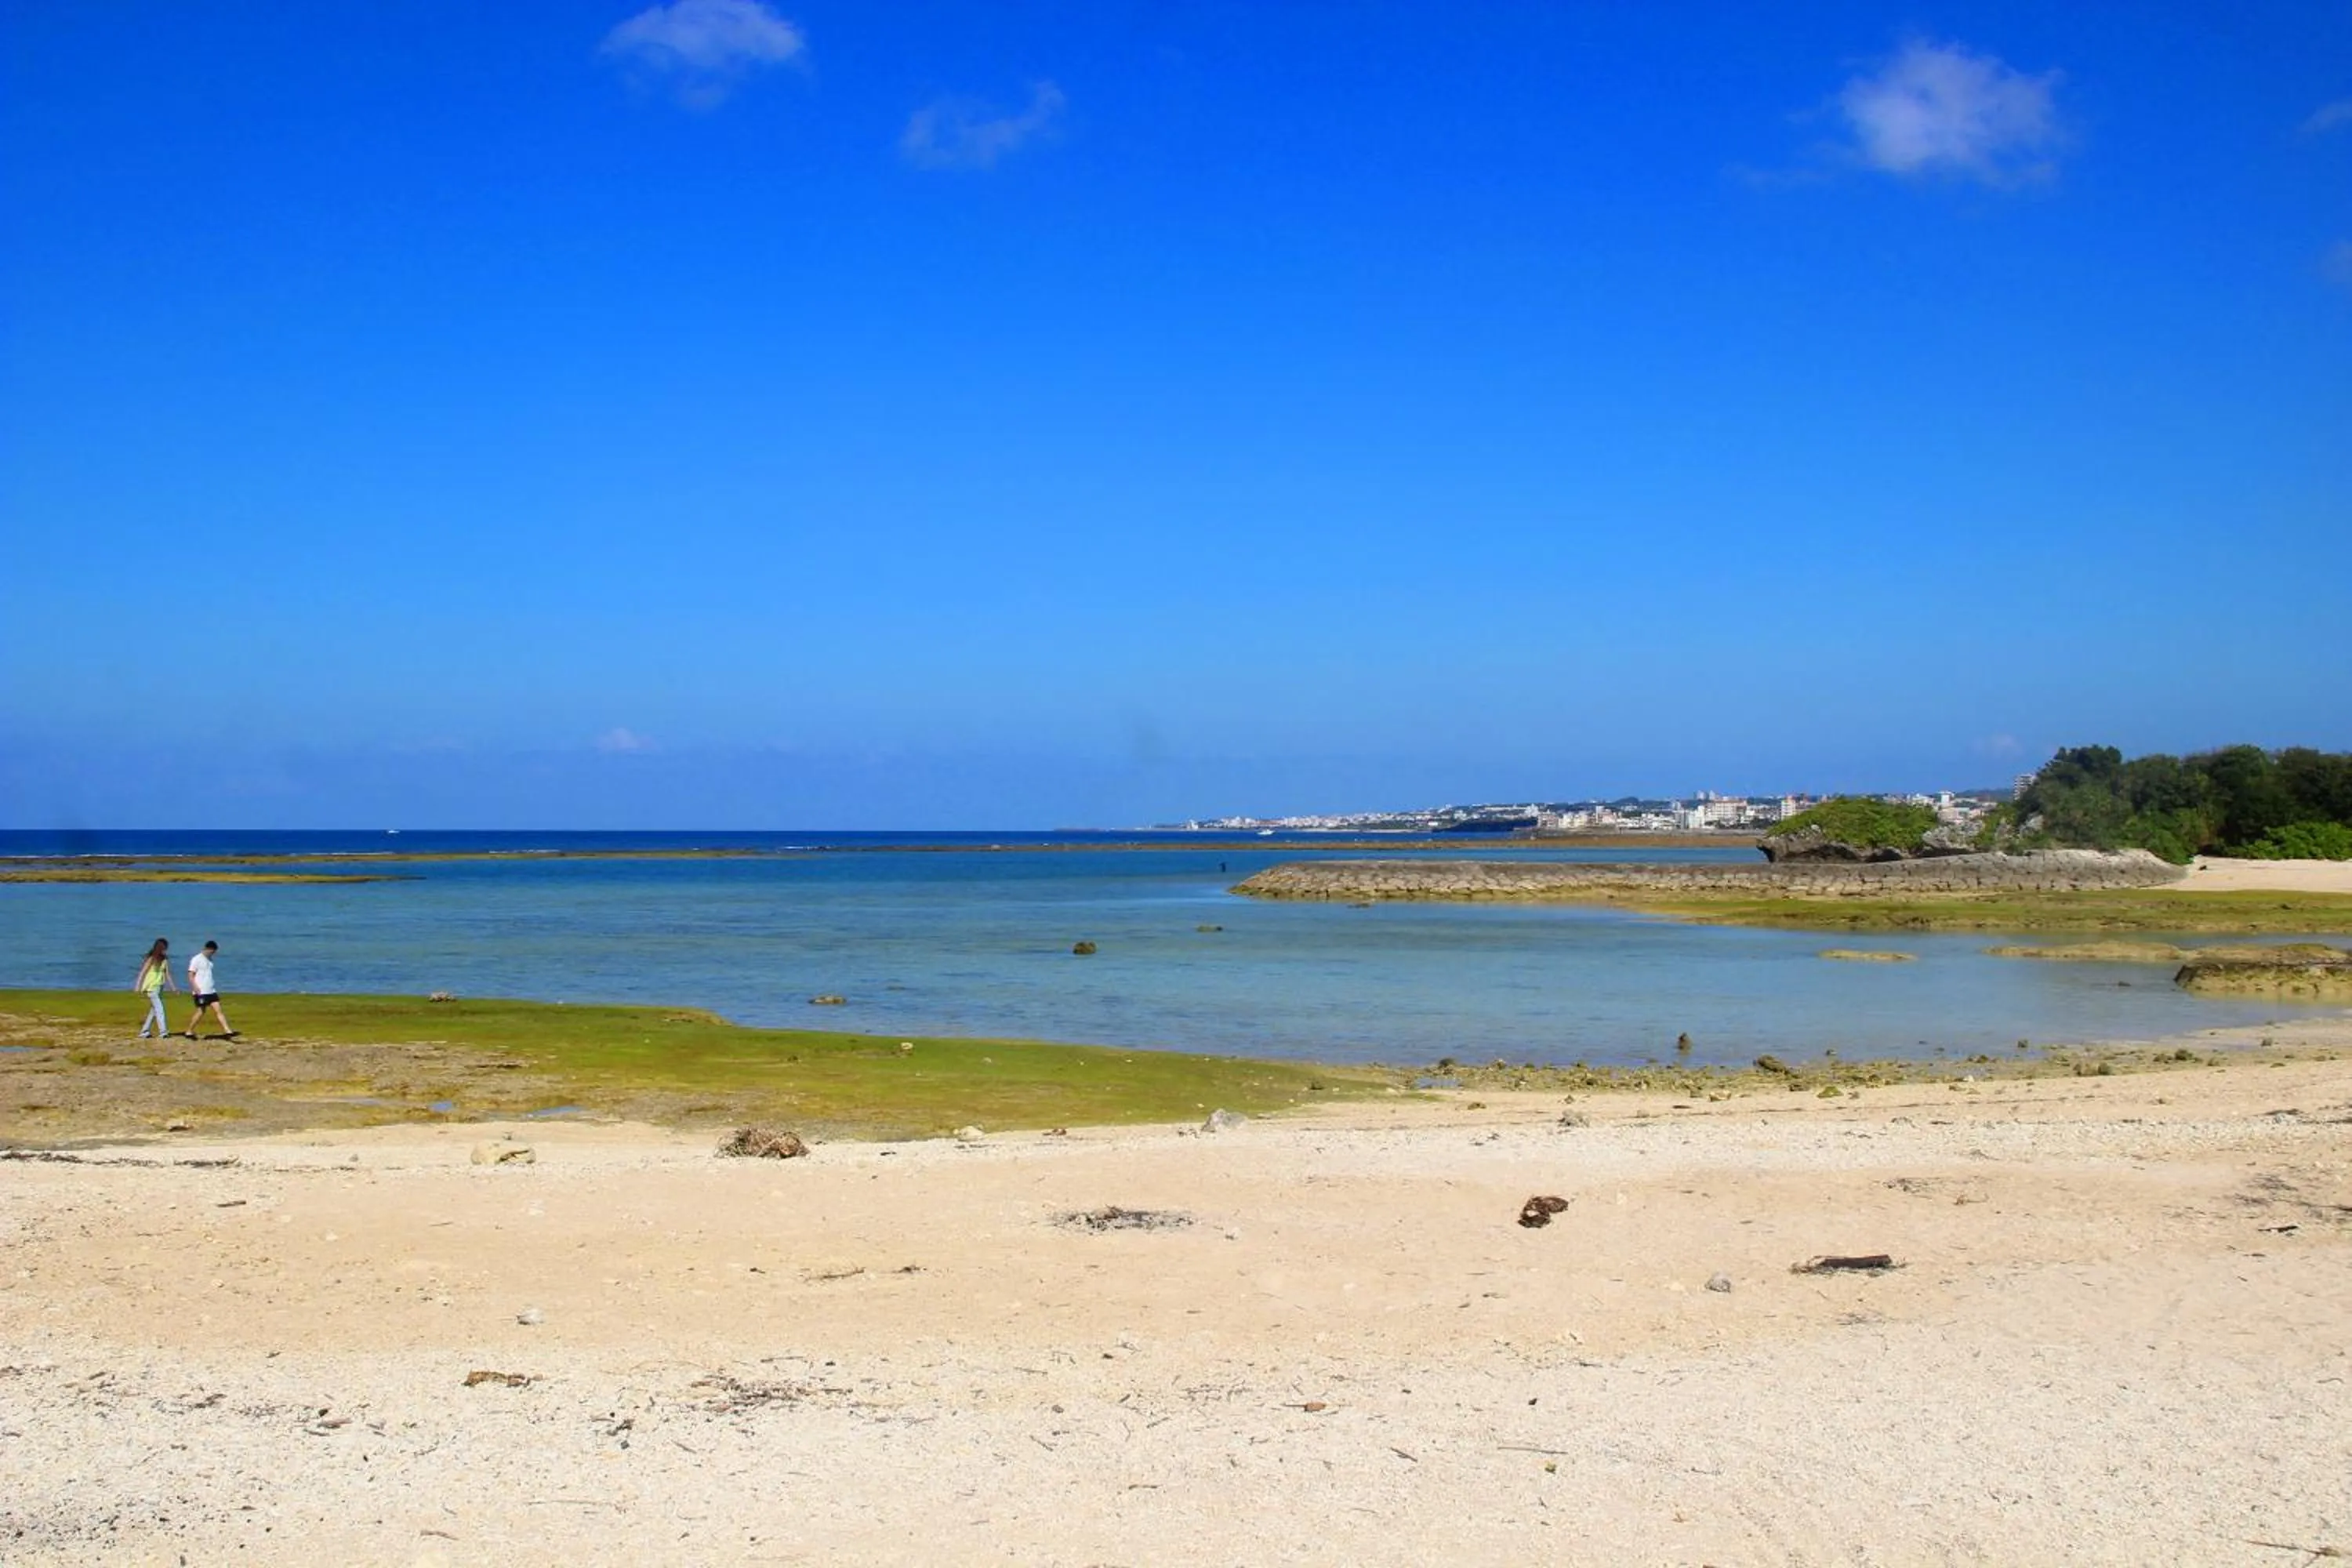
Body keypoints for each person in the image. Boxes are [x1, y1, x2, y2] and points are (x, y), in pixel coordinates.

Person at [186, 939, 235, 1039]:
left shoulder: (210, 960)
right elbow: (191, 975)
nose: (213, 954)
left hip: (211, 990)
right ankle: (189, 1031)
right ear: (207, 949)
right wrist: (195, 987)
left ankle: (227, 1030)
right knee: (201, 1011)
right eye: (212, 952)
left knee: (218, 1010)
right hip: (201, 991)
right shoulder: (196, 959)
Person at [133, 937, 177, 1039]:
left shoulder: (165, 959)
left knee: (154, 1010)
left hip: (160, 986)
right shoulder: (151, 959)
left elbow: (167, 974)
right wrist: (138, 986)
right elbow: (143, 972)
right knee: (160, 1009)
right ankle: (163, 1032)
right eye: (165, 948)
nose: (166, 950)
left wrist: (173, 988)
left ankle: (144, 1031)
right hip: (151, 987)